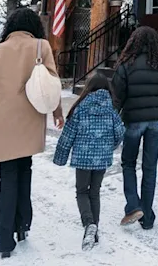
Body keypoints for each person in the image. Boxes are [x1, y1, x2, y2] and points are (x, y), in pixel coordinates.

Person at [0, 7, 65, 259]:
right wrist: (57, 113)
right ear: (33, 26)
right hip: (31, 118)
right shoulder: (41, 47)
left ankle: (4, 242)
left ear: (10, 27)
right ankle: (23, 226)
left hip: (3, 123)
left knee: (8, 178)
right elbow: (52, 84)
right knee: (25, 170)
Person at [53, 73, 124, 251]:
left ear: (88, 88)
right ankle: (94, 231)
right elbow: (120, 133)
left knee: (82, 191)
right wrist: (110, 146)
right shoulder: (111, 110)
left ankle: (89, 224)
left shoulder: (80, 108)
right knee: (95, 192)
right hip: (101, 159)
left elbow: (68, 135)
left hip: (82, 158)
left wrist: (60, 157)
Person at [111, 26, 158, 230]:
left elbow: (117, 96)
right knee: (150, 166)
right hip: (156, 119)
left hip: (133, 119)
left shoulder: (126, 64)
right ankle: (147, 216)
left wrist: (113, 118)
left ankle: (133, 205)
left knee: (128, 163)